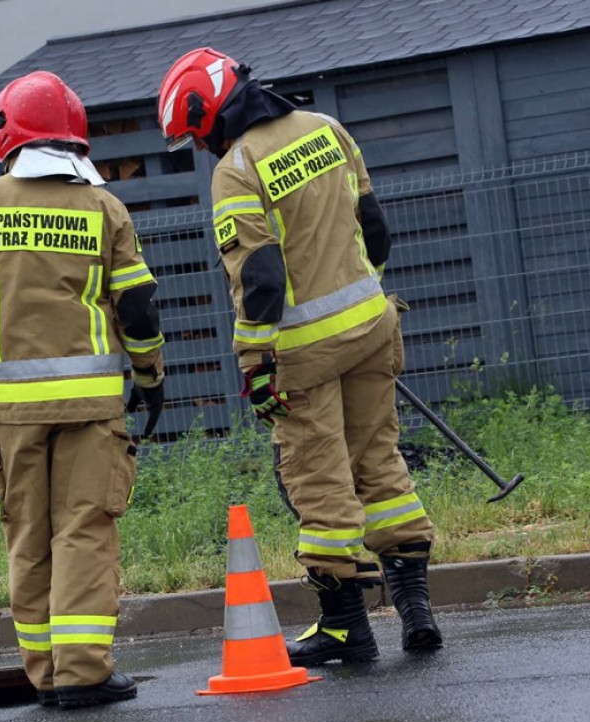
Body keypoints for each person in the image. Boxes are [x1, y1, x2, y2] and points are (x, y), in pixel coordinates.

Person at [156, 48, 442, 665]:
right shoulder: (327, 129)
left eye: (193, 133)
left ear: (208, 112)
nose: (198, 145)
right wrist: (362, 299)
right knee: (381, 462)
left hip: (303, 353)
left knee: (320, 478)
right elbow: (375, 229)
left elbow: (259, 279)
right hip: (372, 327)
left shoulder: (237, 168)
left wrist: (256, 366)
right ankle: (417, 610)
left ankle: (345, 628)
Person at [0, 71, 165, 707]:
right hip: (91, 409)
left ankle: (47, 676)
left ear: (8, 137)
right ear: (74, 140)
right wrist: (151, 379)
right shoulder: (104, 209)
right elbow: (137, 307)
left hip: (9, 416)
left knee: (27, 538)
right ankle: (85, 672)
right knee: (84, 530)